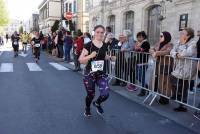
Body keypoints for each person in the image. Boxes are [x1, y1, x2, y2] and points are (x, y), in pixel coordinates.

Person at [79, 25, 114, 117]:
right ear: (94, 33)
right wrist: (90, 56)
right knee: (91, 94)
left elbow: (104, 56)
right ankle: (87, 108)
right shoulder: (88, 45)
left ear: (104, 34)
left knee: (105, 93)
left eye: (102, 32)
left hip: (101, 73)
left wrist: (110, 58)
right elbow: (81, 60)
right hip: (89, 74)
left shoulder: (105, 45)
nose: (100, 34)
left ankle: (97, 103)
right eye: (98, 32)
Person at [170, 28, 197, 112]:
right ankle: (177, 95)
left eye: (183, 33)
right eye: (181, 33)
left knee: (184, 86)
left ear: (188, 35)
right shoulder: (179, 42)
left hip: (187, 67)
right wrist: (177, 54)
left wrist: (180, 52)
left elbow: (188, 53)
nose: (181, 34)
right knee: (173, 78)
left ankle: (183, 105)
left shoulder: (192, 42)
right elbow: (172, 52)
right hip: (179, 66)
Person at [149, 31, 173, 104]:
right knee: (158, 81)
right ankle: (160, 95)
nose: (160, 37)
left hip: (165, 65)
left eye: (161, 36)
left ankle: (165, 98)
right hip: (157, 64)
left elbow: (167, 52)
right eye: (160, 36)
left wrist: (156, 53)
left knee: (165, 82)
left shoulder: (170, 44)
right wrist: (153, 51)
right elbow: (151, 49)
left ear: (166, 37)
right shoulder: (158, 44)